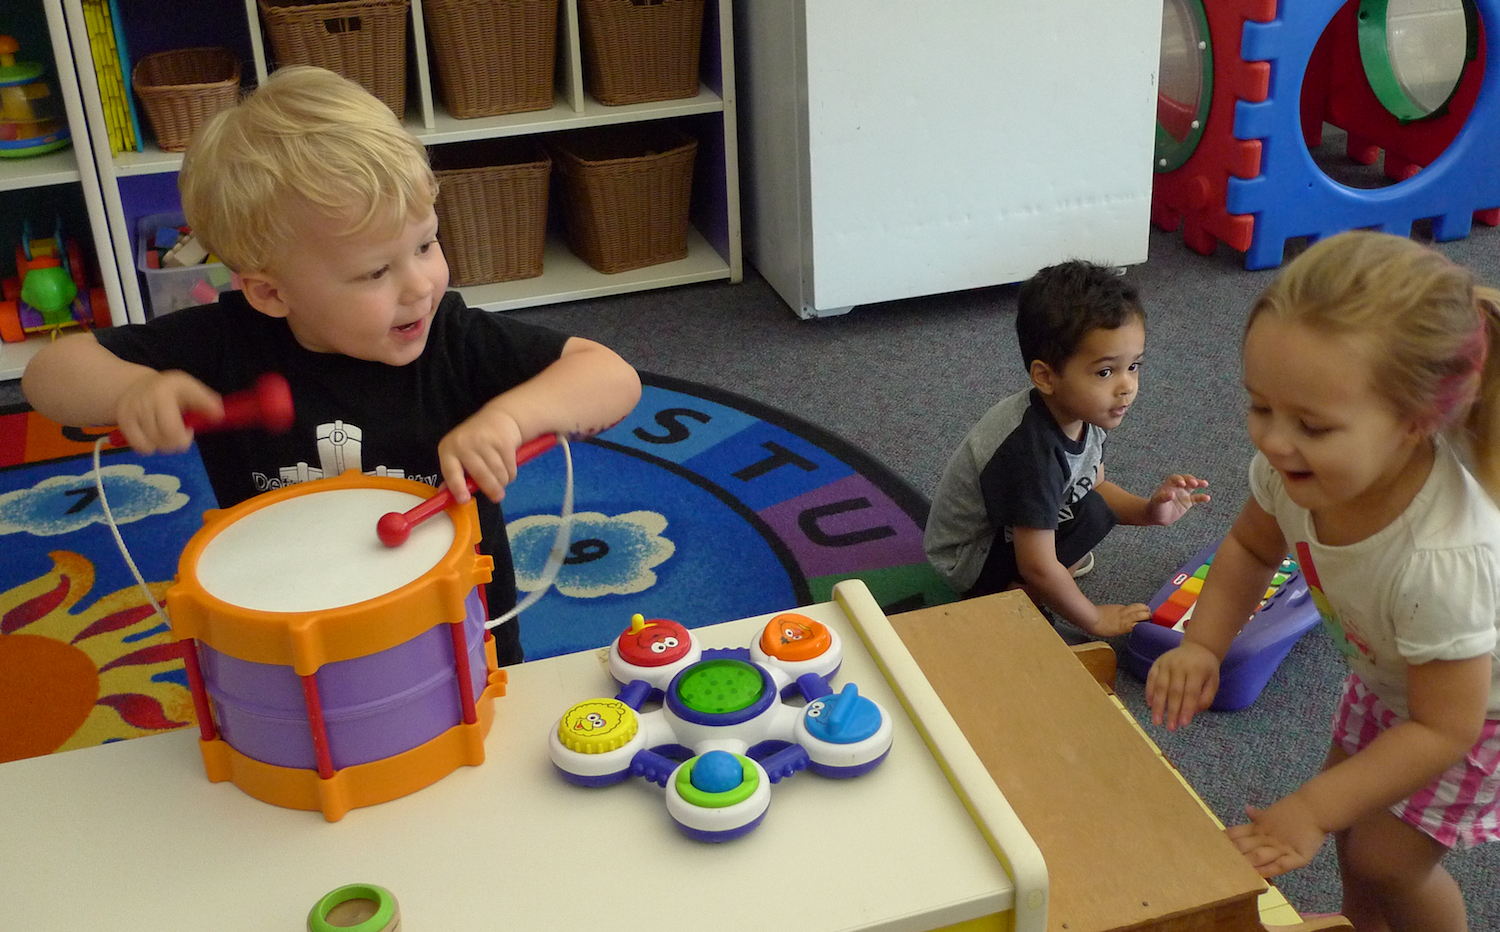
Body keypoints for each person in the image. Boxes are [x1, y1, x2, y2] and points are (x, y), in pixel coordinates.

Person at [21, 66, 642, 666]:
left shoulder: (451, 337)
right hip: (286, 626)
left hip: (455, 626)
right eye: (375, 271)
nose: (420, 284)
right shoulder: (224, 342)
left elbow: (610, 377)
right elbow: (49, 377)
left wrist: (510, 418)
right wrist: (134, 388)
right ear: (270, 292)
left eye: (426, 244)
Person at [1146, 231, 1500, 931]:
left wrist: (1307, 807)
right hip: (1390, 676)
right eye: (1261, 406)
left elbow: (1444, 724)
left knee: (1389, 864)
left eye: (1310, 423)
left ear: (1414, 422)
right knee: (1354, 838)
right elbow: (1249, 546)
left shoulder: (1444, 556)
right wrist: (1204, 645)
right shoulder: (1293, 473)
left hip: (1471, 717)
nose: (1274, 442)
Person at [923, 260, 1209, 636]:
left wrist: (1150, 512)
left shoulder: (1083, 410)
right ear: (1046, 376)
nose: (1127, 386)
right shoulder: (1031, 453)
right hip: (967, 559)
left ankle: (1053, 577)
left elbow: (1095, 485)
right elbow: (1037, 565)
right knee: (1083, 522)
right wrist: (1094, 618)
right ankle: (1010, 600)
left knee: (1093, 509)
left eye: (1134, 366)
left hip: (1008, 530)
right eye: (1106, 372)